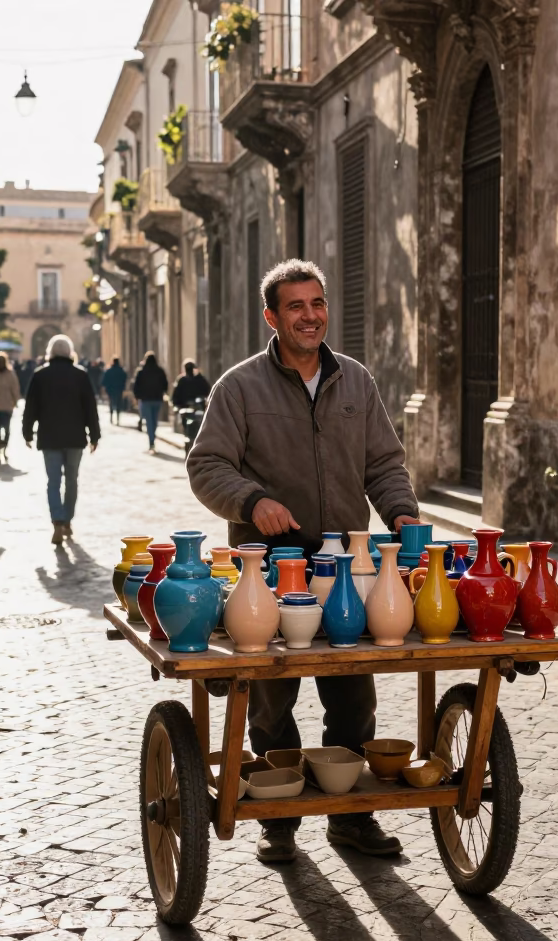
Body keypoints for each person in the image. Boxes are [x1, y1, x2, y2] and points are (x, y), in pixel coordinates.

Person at [187, 259, 421, 864]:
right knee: (271, 697)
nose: (310, 316)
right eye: (295, 306)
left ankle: (352, 819)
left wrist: (401, 513)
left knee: (353, 694)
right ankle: (280, 818)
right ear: (272, 316)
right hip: (270, 568)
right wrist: (252, 499)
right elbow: (206, 466)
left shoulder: (357, 383)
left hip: (348, 566)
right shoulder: (237, 388)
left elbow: (384, 465)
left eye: (316, 304)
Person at [22, 334, 100, 546]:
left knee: (53, 481)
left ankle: (57, 519)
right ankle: (67, 520)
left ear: (51, 351)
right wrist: (95, 435)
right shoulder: (80, 375)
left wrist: (27, 432)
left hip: (49, 436)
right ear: (69, 351)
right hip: (75, 437)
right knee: (72, 480)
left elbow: (31, 407)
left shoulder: (40, 375)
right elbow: (90, 408)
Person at [0, 352, 22, 464]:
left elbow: (15, 388)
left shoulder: (10, 373)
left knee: (6, 430)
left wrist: (16, 400)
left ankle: (4, 448)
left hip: (7, 405)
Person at [132, 351, 169, 452]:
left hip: (145, 400)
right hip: (157, 399)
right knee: (154, 420)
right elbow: (165, 384)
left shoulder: (141, 371)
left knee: (149, 421)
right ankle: (152, 436)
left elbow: (136, 386)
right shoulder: (160, 371)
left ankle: (151, 440)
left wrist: (137, 396)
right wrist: (163, 392)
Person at [102, 357, 126, 424]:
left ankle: (111, 417)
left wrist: (105, 388)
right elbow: (124, 378)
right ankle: (117, 418)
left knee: (111, 403)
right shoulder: (121, 371)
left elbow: (104, 380)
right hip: (119, 389)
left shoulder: (109, 371)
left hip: (111, 390)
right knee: (118, 404)